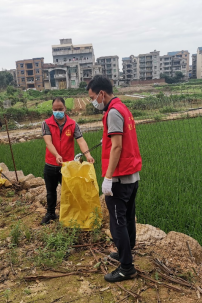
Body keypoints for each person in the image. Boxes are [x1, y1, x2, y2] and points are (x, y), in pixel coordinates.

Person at [87, 75, 142, 282]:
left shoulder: (113, 112)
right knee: (127, 218)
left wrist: (108, 177)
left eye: (93, 97)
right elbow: (118, 140)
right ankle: (125, 252)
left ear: (101, 93)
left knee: (117, 223)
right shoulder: (123, 108)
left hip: (120, 178)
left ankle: (127, 267)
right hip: (131, 175)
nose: (93, 102)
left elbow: (117, 146)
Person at [41, 97, 95, 225]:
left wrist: (88, 155)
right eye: (55, 109)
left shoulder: (73, 124)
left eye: (60, 109)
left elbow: (80, 140)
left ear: (65, 109)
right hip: (50, 164)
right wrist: (56, 155)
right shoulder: (46, 123)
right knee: (50, 192)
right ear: (52, 109)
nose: (58, 111)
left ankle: (70, 215)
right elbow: (48, 142)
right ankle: (50, 213)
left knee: (69, 192)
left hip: (67, 166)